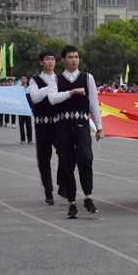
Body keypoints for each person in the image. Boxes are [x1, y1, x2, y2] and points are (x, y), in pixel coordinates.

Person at [48, 45, 104, 218]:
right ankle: (72, 203)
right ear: (63, 60)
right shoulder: (55, 80)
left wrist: (99, 127)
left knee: (86, 158)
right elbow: (52, 99)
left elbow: (93, 102)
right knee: (67, 164)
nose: (74, 60)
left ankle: (88, 197)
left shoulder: (87, 77)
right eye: (71, 57)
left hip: (81, 125)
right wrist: (71, 92)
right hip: (63, 126)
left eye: (76, 57)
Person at [30, 50, 62, 205]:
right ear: (41, 62)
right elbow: (34, 98)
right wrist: (49, 87)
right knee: (44, 159)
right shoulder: (35, 80)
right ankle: (48, 192)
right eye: (47, 59)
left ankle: (62, 185)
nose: (50, 62)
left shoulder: (60, 79)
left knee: (65, 154)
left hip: (59, 124)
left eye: (53, 59)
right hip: (42, 124)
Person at [18, 75, 33, 144]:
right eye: (22, 78)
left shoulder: (29, 88)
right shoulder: (18, 89)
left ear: (27, 80)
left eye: (24, 78)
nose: (23, 80)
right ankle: (22, 139)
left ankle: (30, 139)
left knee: (28, 124)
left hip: (27, 108)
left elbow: (31, 98)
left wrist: (31, 107)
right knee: (21, 125)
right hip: (21, 109)